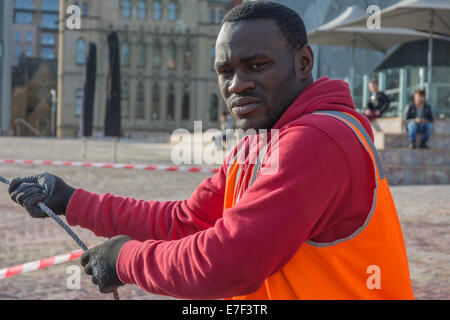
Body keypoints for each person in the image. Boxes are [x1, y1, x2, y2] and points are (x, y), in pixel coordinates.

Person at [8, 2, 414, 300]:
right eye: (225, 71)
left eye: (256, 65)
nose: (236, 84)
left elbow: (226, 265)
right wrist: (71, 200)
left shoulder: (318, 140)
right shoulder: (261, 139)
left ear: (303, 62)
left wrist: (124, 260)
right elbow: (188, 221)